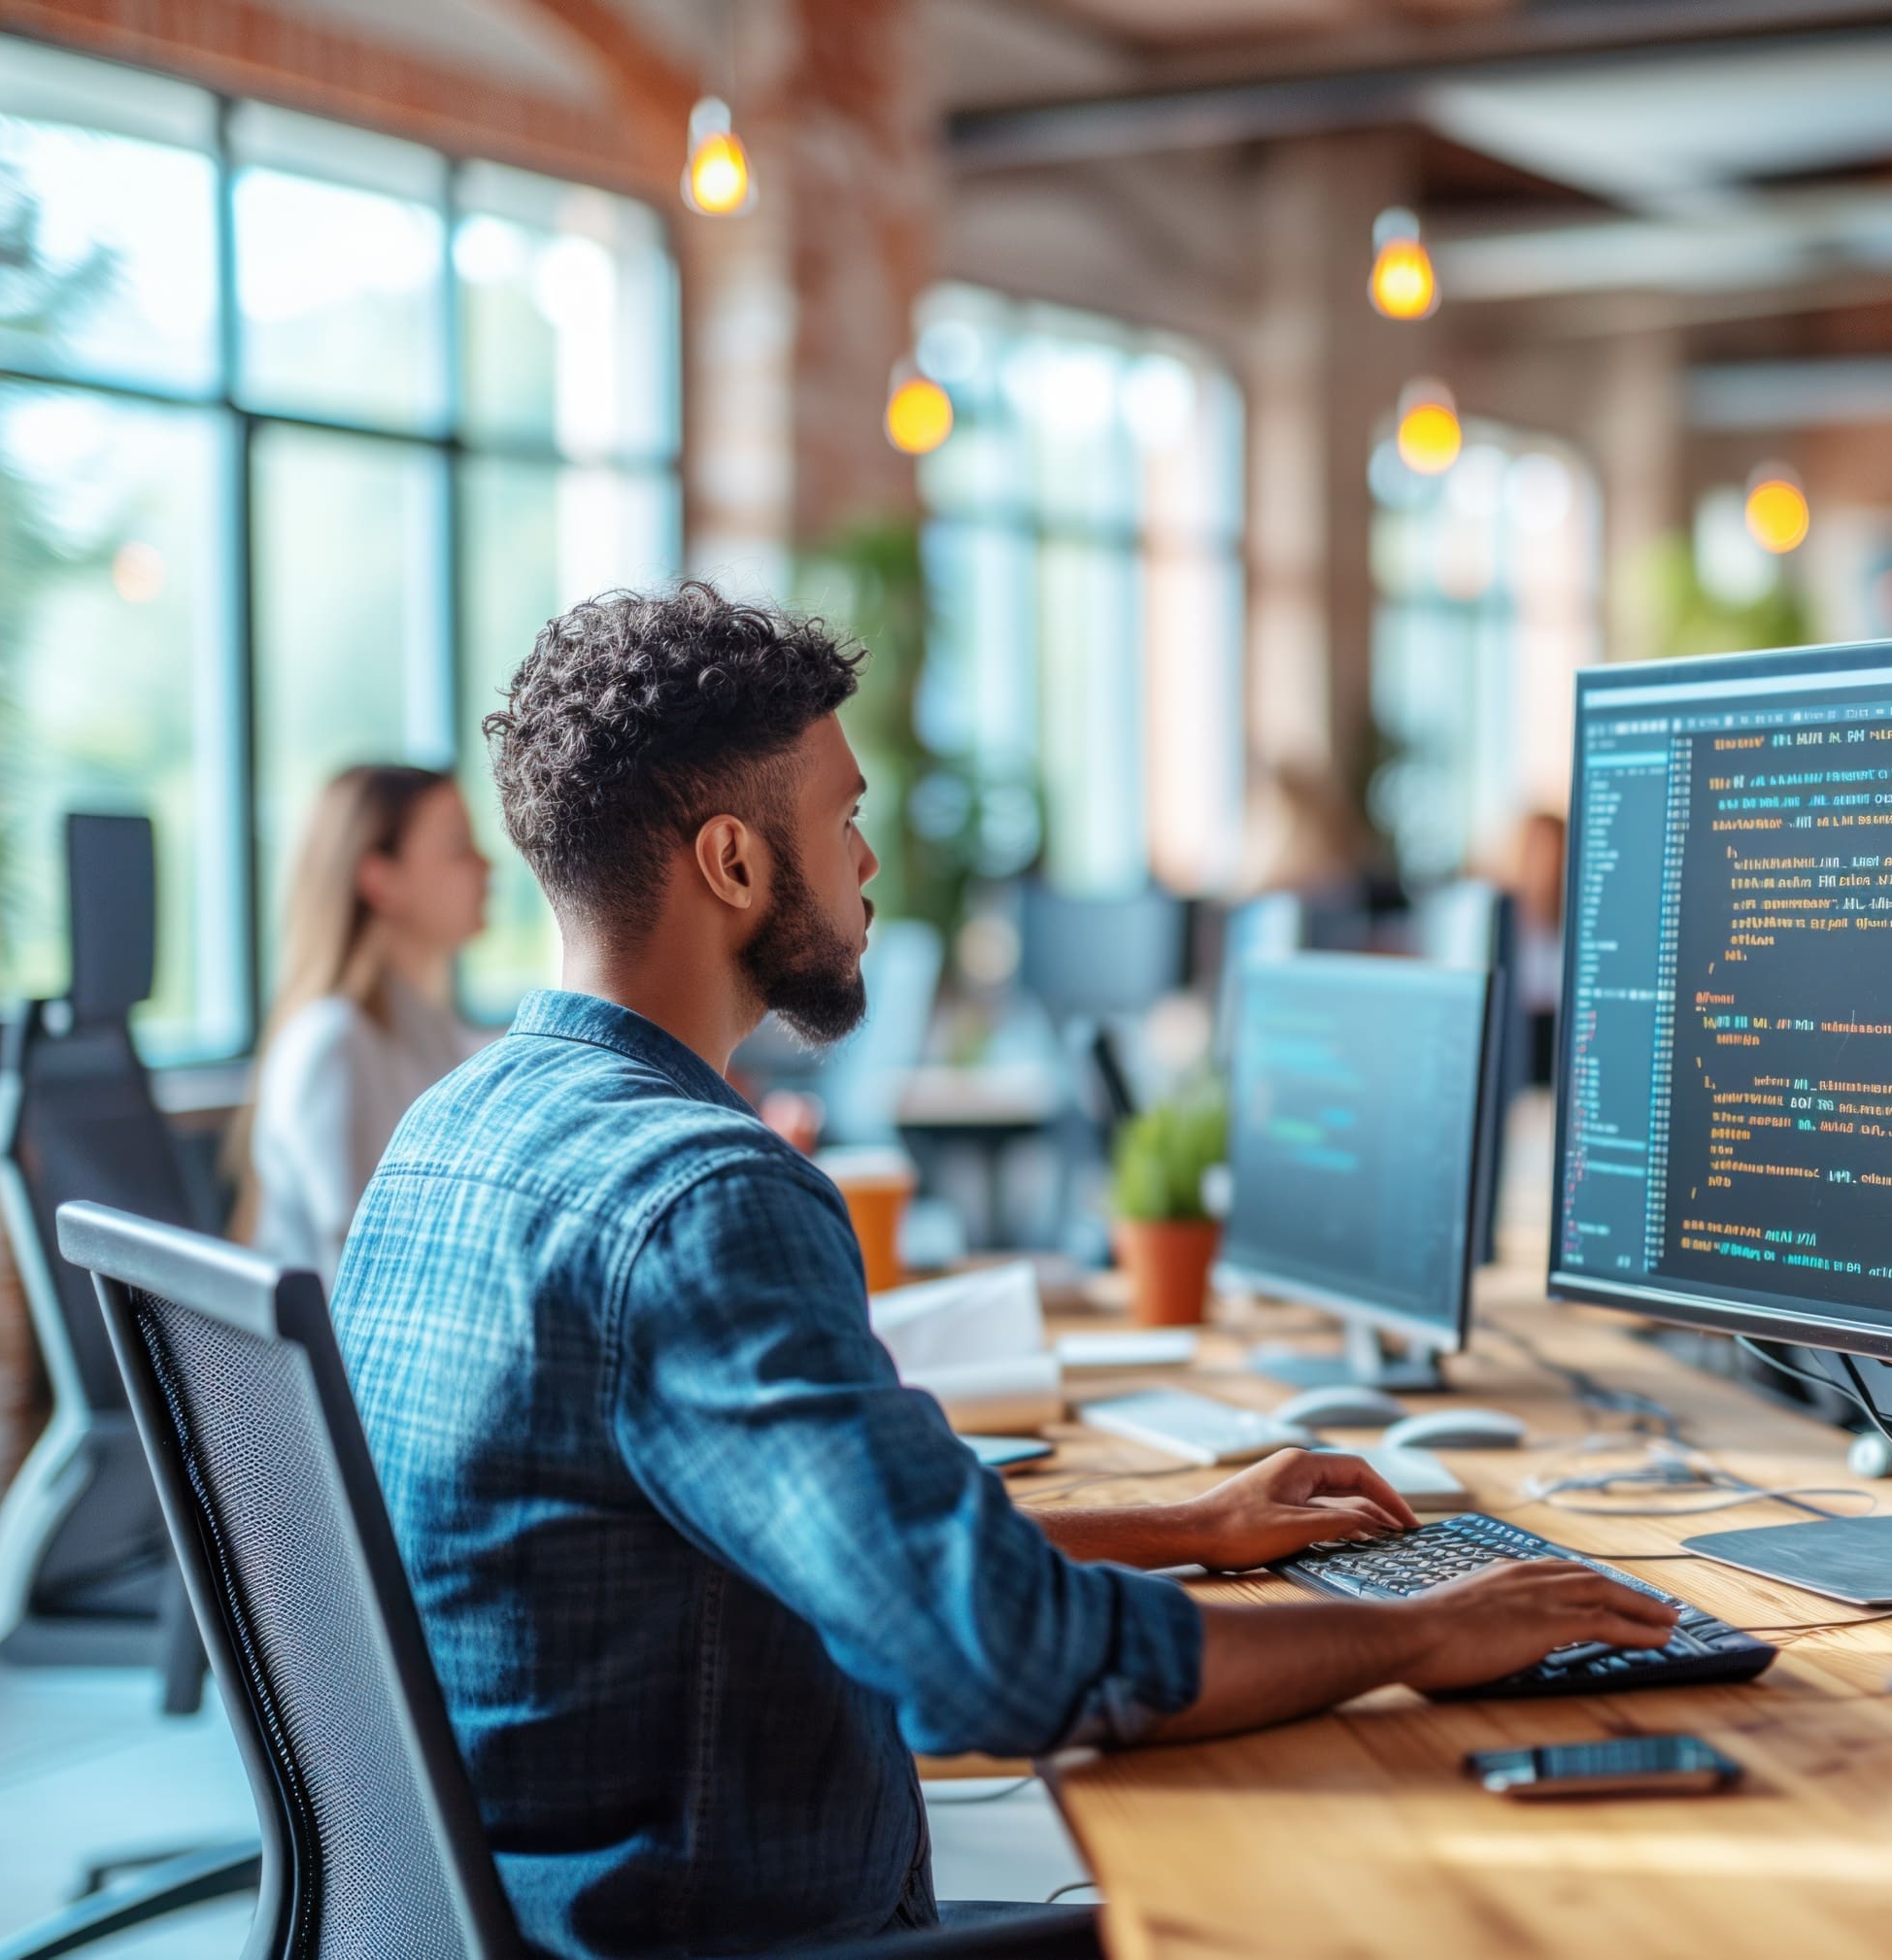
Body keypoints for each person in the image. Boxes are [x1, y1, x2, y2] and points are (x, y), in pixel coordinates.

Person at [330, 585, 1677, 1960]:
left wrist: (1189, 1523)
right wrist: (1425, 1635)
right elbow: (997, 1662)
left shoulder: (446, 1130)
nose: (867, 864)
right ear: (731, 861)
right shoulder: (706, 1197)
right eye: (844, 821)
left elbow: (859, 1552)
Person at [241, 763, 493, 1277]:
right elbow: (366, 1270)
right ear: (380, 880)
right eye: (458, 846)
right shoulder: (333, 1044)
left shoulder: (442, 1035)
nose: (486, 864)